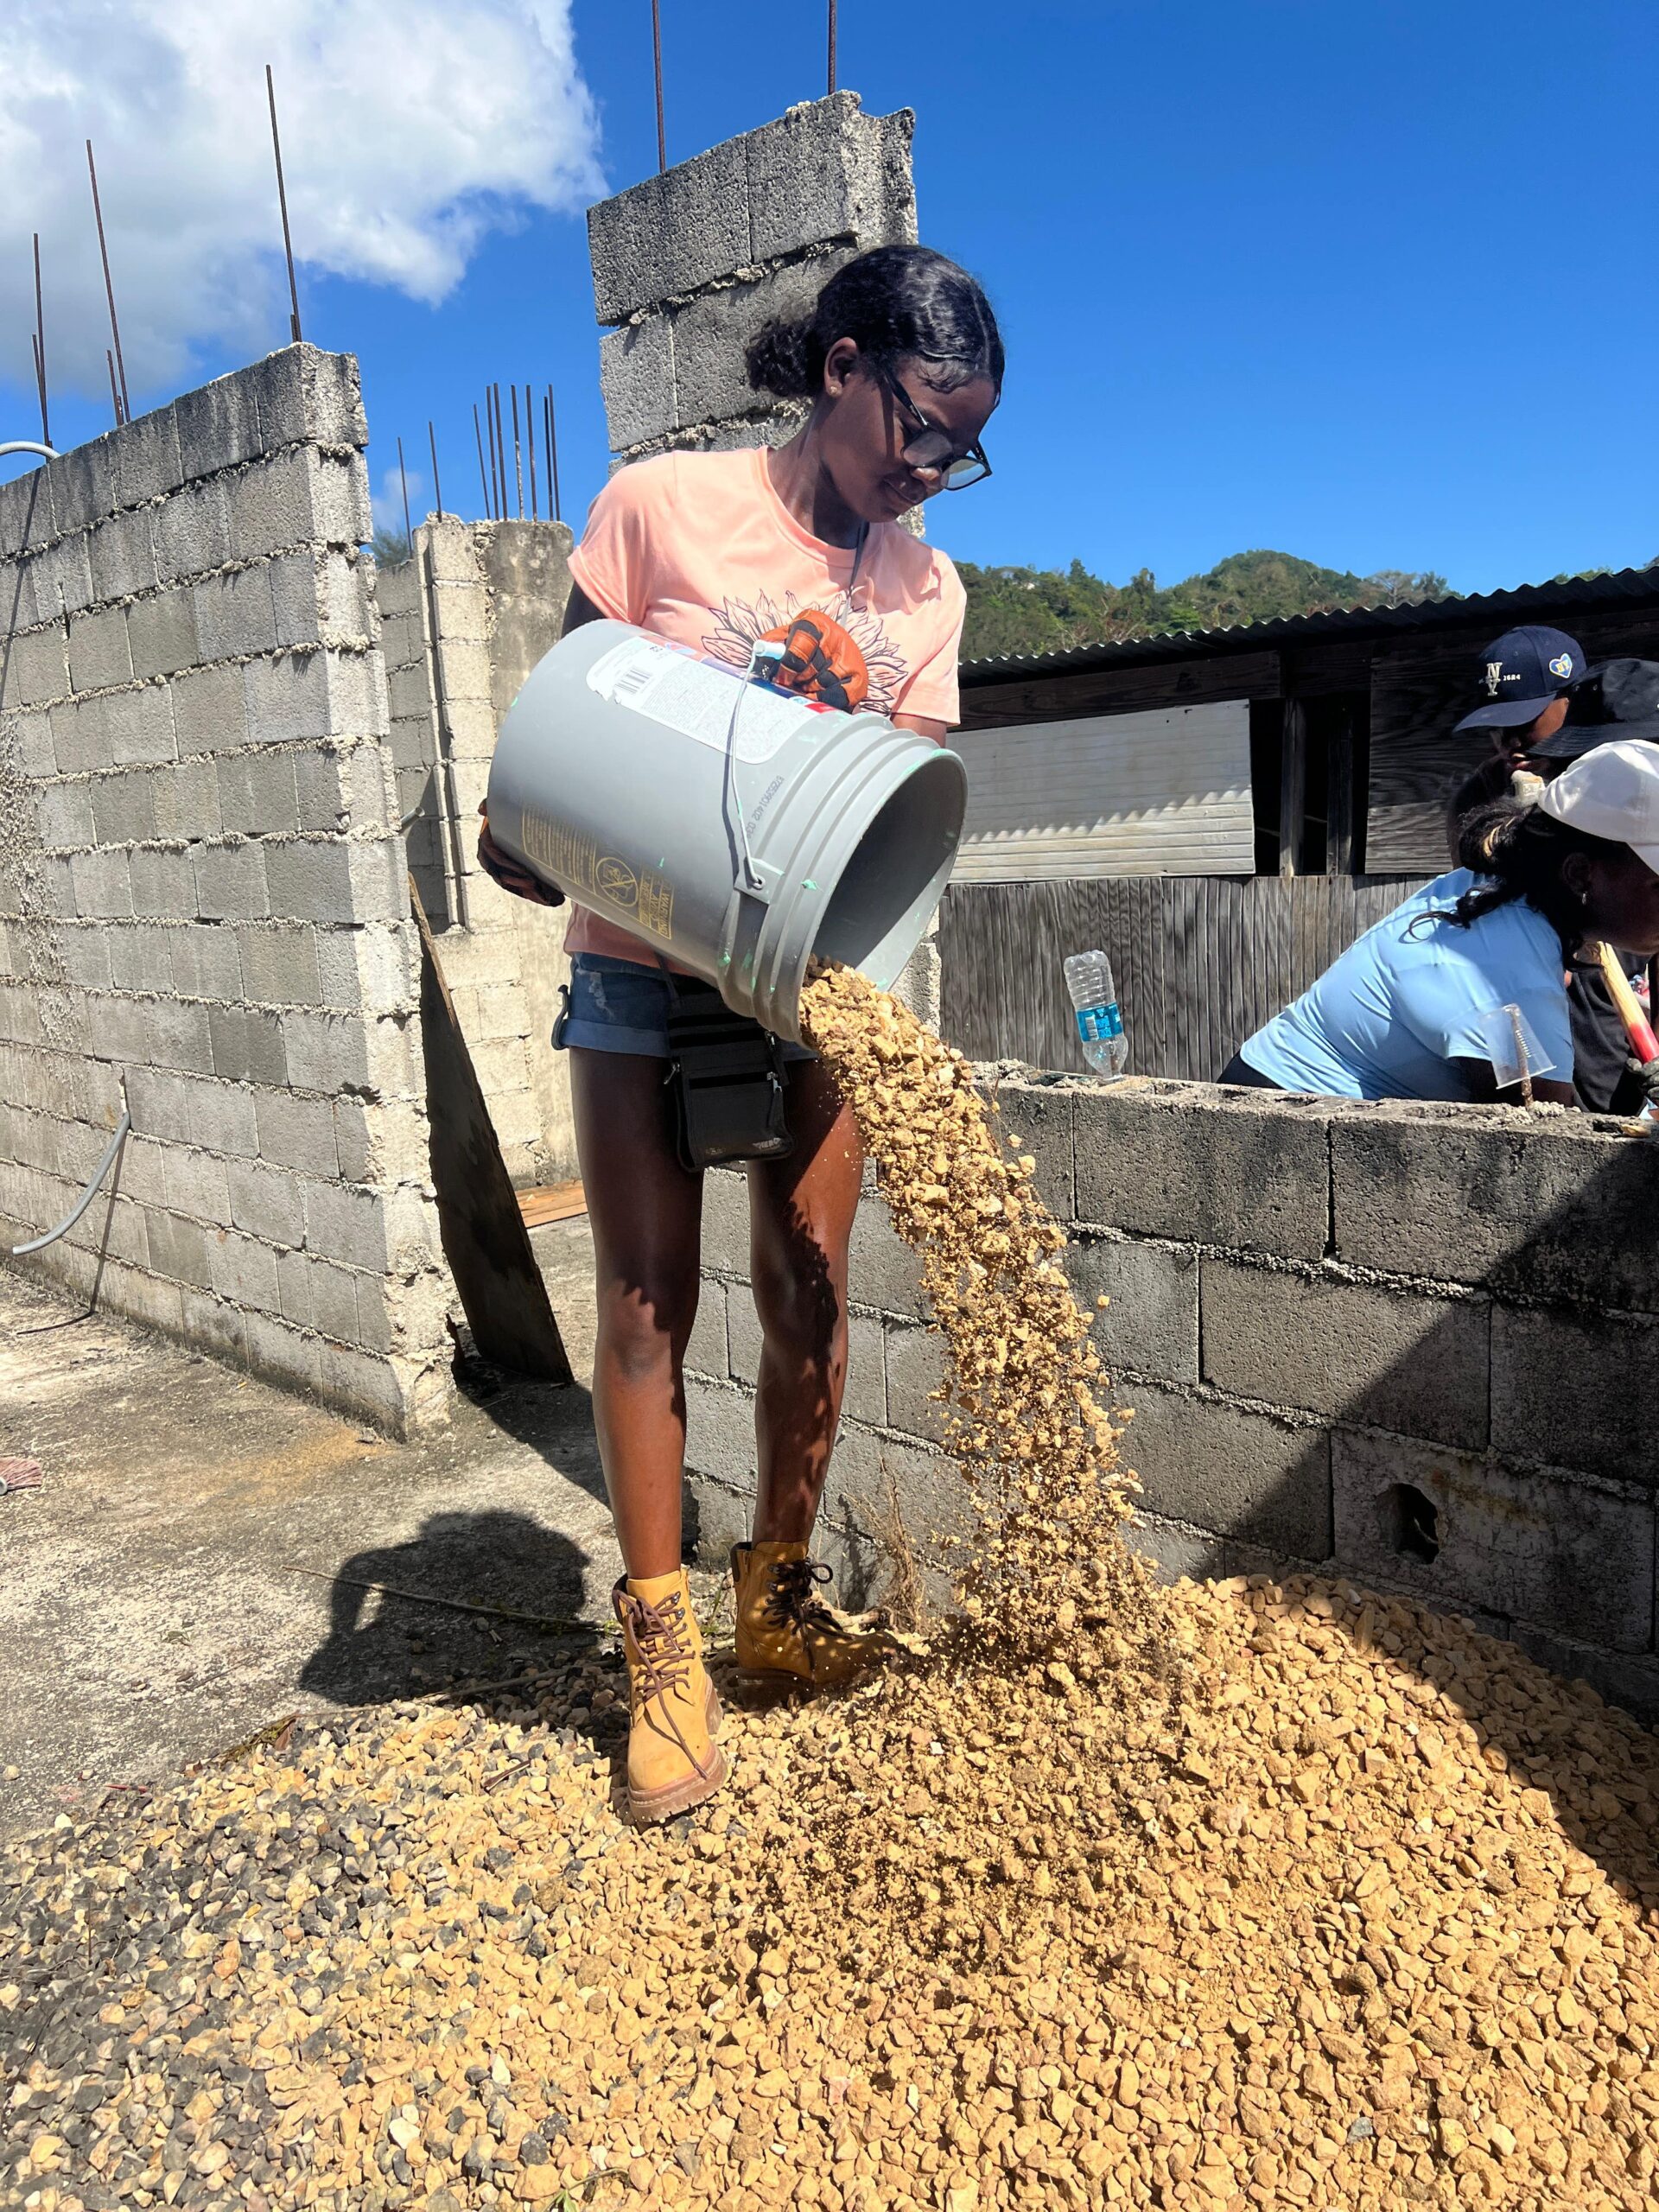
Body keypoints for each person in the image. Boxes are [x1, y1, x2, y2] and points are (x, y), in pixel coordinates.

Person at [478, 245, 1002, 1821]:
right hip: (641, 969)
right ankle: (662, 1660)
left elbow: (890, 811)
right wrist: (531, 829)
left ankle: (771, 1609)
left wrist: (842, 975)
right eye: (918, 420)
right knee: (647, 1308)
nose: (931, 467)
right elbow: (565, 714)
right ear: (840, 365)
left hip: (815, 990)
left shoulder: (931, 588)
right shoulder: (664, 507)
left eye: (961, 444)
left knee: (811, 1298)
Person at [1222, 741, 1659, 1103]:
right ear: (1580, 873)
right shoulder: (1507, 979)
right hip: (1278, 1131)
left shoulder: (1498, 883)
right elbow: (1543, 1145)